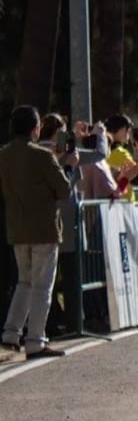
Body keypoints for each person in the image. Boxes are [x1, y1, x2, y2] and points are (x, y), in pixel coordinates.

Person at [0, 106, 74, 358]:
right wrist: (68, 167)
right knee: (42, 287)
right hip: (44, 228)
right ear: (36, 129)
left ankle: (11, 334)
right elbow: (64, 191)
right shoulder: (43, 156)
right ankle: (35, 340)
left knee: (24, 282)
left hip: (17, 228)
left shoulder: (4, 155)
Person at [104, 114, 138, 201]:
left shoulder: (101, 155)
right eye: (128, 130)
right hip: (124, 202)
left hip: (109, 202)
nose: (129, 134)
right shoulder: (121, 153)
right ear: (122, 130)